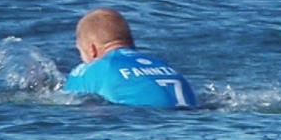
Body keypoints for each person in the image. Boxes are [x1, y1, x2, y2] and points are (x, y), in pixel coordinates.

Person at [62, 8, 196, 108]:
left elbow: (65, 101)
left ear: (92, 50)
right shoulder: (162, 65)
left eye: (80, 51)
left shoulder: (94, 69)